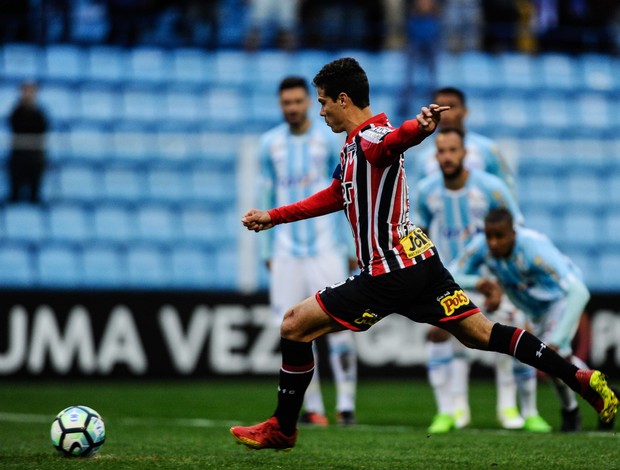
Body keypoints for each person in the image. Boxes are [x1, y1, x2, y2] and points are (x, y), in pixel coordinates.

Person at [231, 57, 617, 451]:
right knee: (481, 333)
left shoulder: (373, 138)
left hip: (389, 272)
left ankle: (283, 426)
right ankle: (578, 377)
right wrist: (273, 217)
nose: (321, 109)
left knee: (295, 324)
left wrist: (422, 127)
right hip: (421, 263)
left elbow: (398, 140)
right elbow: (335, 195)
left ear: (343, 100)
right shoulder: (352, 147)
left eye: (323, 101)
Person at [414, 126, 550, 433]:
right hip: (445, 281)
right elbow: (417, 236)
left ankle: (525, 411)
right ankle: (448, 411)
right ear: (435, 156)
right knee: (440, 340)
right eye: (441, 151)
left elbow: (516, 231)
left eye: (453, 150)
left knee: (515, 336)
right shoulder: (426, 191)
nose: (447, 157)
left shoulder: (491, 187)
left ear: (465, 153)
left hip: (494, 281)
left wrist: (506, 281)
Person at [449, 207, 616, 432]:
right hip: (532, 311)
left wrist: (557, 338)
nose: (493, 242)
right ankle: (598, 398)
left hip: (559, 302)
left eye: (499, 236)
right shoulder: (481, 246)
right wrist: (479, 282)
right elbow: (451, 274)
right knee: (555, 361)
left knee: (553, 356)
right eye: (489, 235)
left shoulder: (534, 249)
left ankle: (572, 413)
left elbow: (579, 292)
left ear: (513, 233)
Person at [258, 76, 358, 426]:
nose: (293, 108)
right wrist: (266, 249)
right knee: (294, 330)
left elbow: (346, 192)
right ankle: (313, 408)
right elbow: (267, 195)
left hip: (326, 249)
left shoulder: (327, 140)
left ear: (307, 102)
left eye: (299, 101)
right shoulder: (269, 144)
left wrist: (349, 246)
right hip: (286, 252)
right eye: (286, 103)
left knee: (341, 327)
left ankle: (345, 404)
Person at [410, 86, 515, 197]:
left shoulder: (487, 149)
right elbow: (418, 197)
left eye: (451, 106)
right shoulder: (424, 157)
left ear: (465, 111)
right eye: (438, 107)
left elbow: (506, 189)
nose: (445, 113)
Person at [7, 81, 49, 204]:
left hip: (35, 158)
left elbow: (41, 129)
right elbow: (16, 126)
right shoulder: (16, 112)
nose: (28, 94)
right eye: (25, 91)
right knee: (14, 196)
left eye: (31, 92)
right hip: (18, 157)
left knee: (35, 197)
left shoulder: (40, 114)